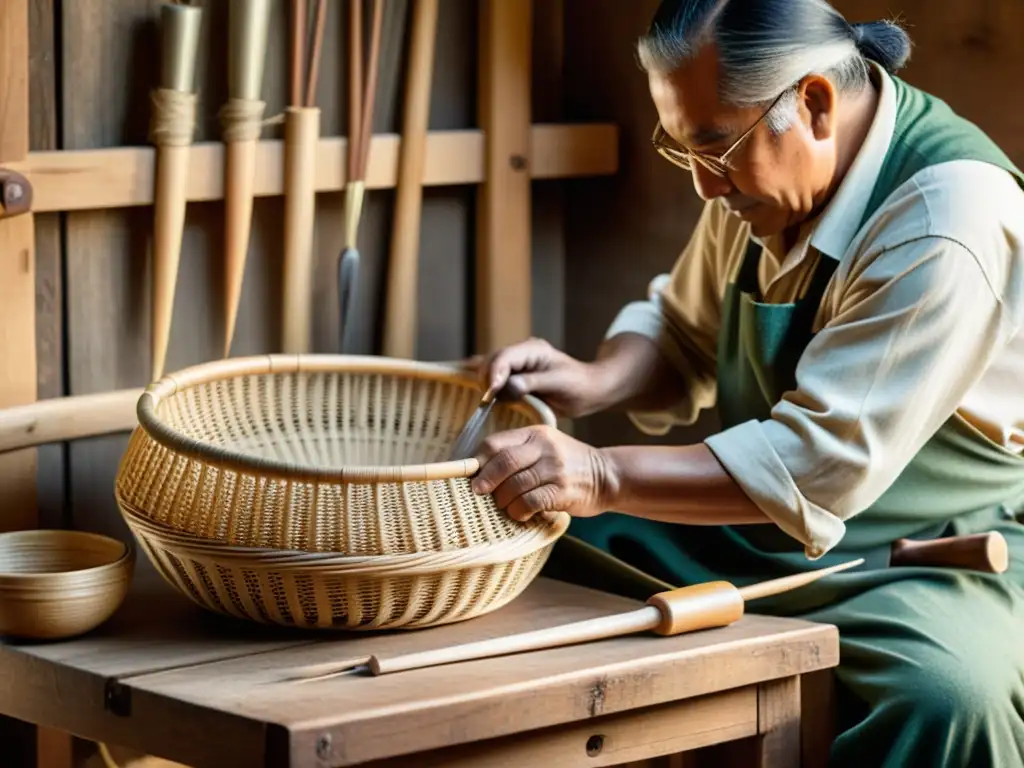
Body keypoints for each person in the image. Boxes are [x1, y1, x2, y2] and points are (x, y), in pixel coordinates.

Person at [465, 1, 1024, 766]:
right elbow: (682, 328)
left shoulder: (947, 218)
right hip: (751, 534)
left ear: (815, 104)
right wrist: (591, 381)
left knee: (948, 695)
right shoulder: (757, 167)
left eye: (714, 147)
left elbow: (816, 462)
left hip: (922, 557)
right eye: (681, 147)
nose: (703, 185)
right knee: (527, 557)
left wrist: (598, 472)